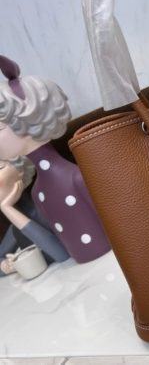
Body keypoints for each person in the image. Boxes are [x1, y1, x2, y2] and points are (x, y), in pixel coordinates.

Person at [0, 55, 110, 263]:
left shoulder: (77, 178)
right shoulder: (38, 193)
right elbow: (61, 254)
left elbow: (123, 229)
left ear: (29, 119)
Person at [0, 157, 69, 276]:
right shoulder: (16, 227)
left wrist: (7, 208)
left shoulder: (46, 206)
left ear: (20, 170)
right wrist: (5, 266)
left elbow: (62, 255)